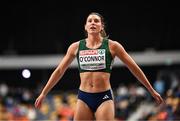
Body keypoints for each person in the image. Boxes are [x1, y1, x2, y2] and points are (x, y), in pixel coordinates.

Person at [34, 12, 164, 120]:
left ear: (101, 26)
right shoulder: (76, 47)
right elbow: (60, 70)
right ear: (85, 27)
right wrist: (44, 93)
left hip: (104, 97)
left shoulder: (113, 46)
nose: (92, 23)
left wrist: (151, 90)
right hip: (83, 97)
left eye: (96, 21)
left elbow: (134, 68)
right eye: (89, 21)